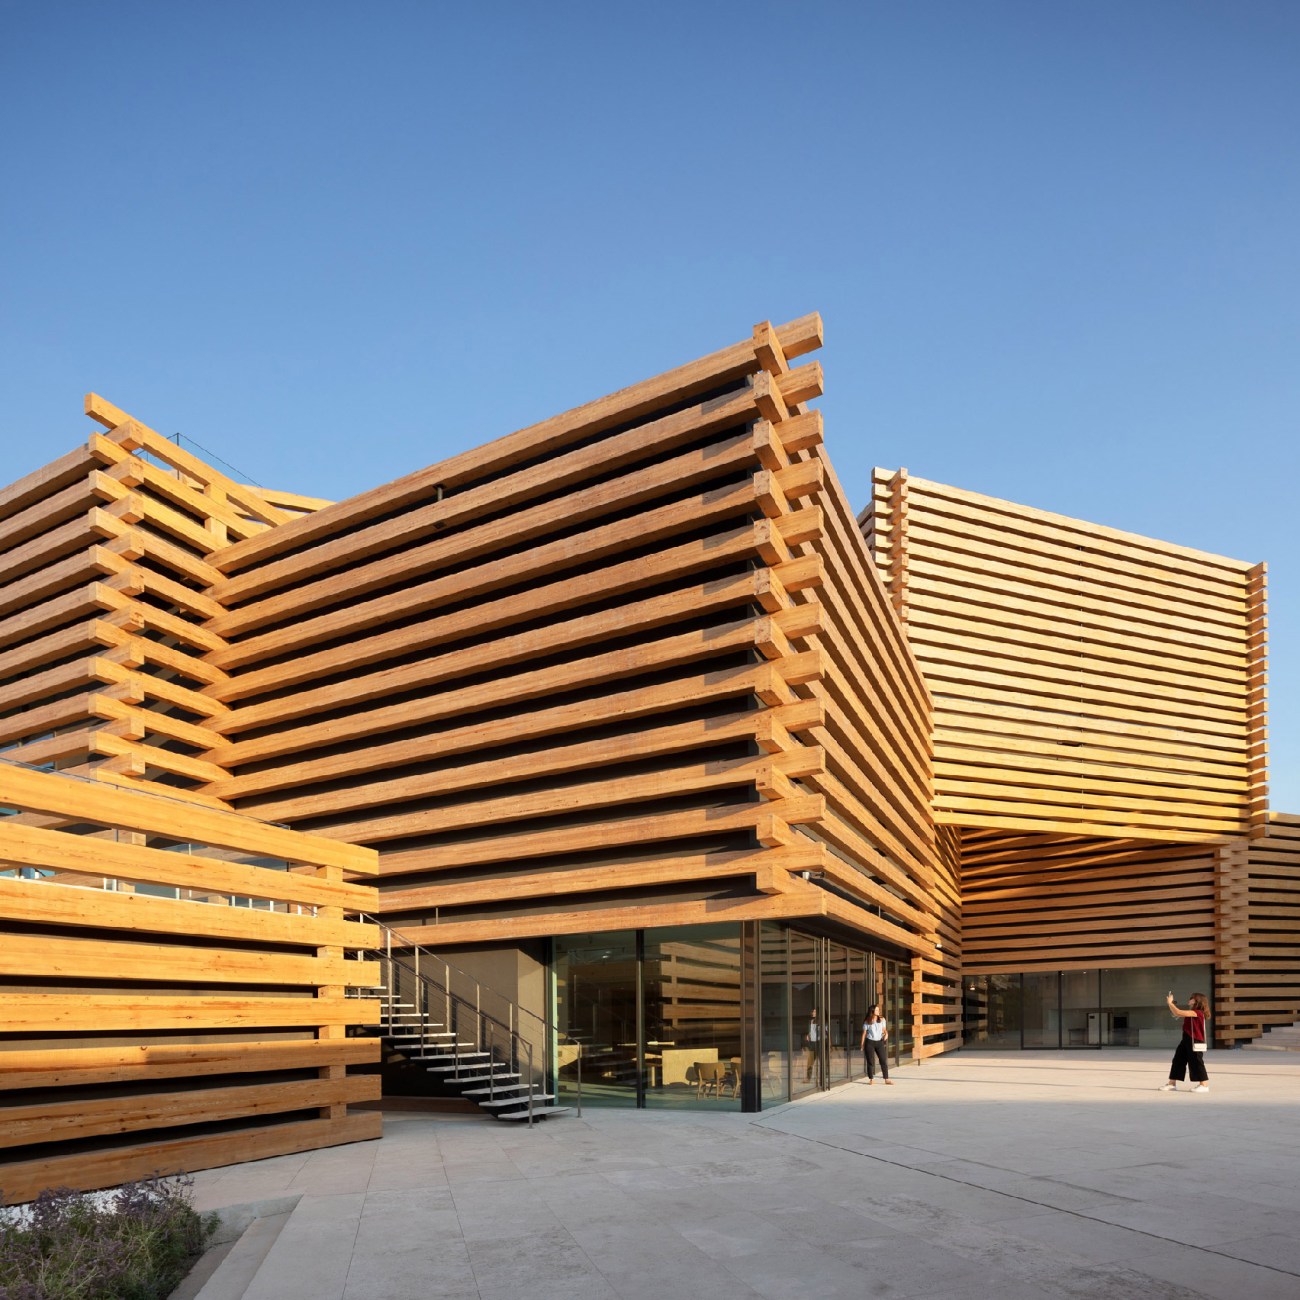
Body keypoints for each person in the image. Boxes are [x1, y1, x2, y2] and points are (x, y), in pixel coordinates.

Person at [1160, 991, 1210, 1092]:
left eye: (1192, 998)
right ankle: (1172, 1084)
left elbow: (1178, 1012)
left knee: (1196, 1062)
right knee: (1178, 1060)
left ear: (1197, 1001)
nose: (1189, 999)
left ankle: (1204, 1085)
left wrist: (1170, 1003)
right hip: (1186, 1039)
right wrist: (1171, 1005)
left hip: (1195, 1040)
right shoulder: (1192, 1012)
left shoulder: (1198, 1013)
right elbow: (1176, 1013)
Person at [860, 1003, 892, 1084]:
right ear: (872, 1011)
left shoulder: (882, 1019)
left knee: (883, 1060)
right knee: (870, 1061)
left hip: (879, 1042)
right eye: (877, 1010)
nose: (879, 1011)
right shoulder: (867, 1021)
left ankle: (886, 1079)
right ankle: (871, 1079)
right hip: (870, 1042)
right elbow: (864, 1034)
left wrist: (886, 1034)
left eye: (878, 1010)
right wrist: (862, 1045)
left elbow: (884, 1030)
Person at [804, 1008, 822, 1082]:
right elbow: (812, 1032)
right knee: (809, 1062)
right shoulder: (811, 1021)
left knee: (821, 1062)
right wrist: (808, 1035)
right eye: (813, 1011)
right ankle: (808, 1078)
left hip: (819, 1043)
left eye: (815, 1011)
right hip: (812, 1044)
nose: (813, 1012)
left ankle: (822, 1078)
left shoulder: (821, 1021)